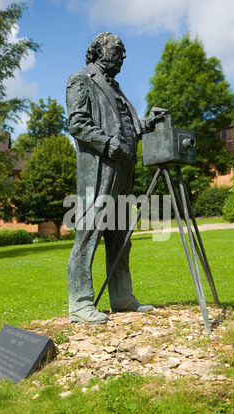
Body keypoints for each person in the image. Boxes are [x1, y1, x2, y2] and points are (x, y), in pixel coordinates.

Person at [66, 32, 167, 324]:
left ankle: (122, 297)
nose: (123, 55)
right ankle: (81, 304)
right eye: (118, 49)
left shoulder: (118, 89)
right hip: (98, 174)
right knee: (88, 236)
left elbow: (129, 128)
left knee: (121, 238)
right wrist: (108, 143)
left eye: (123, 51)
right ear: (98, 51)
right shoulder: (81, 79)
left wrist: (149, 122)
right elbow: (77, 123)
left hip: (123, 173)